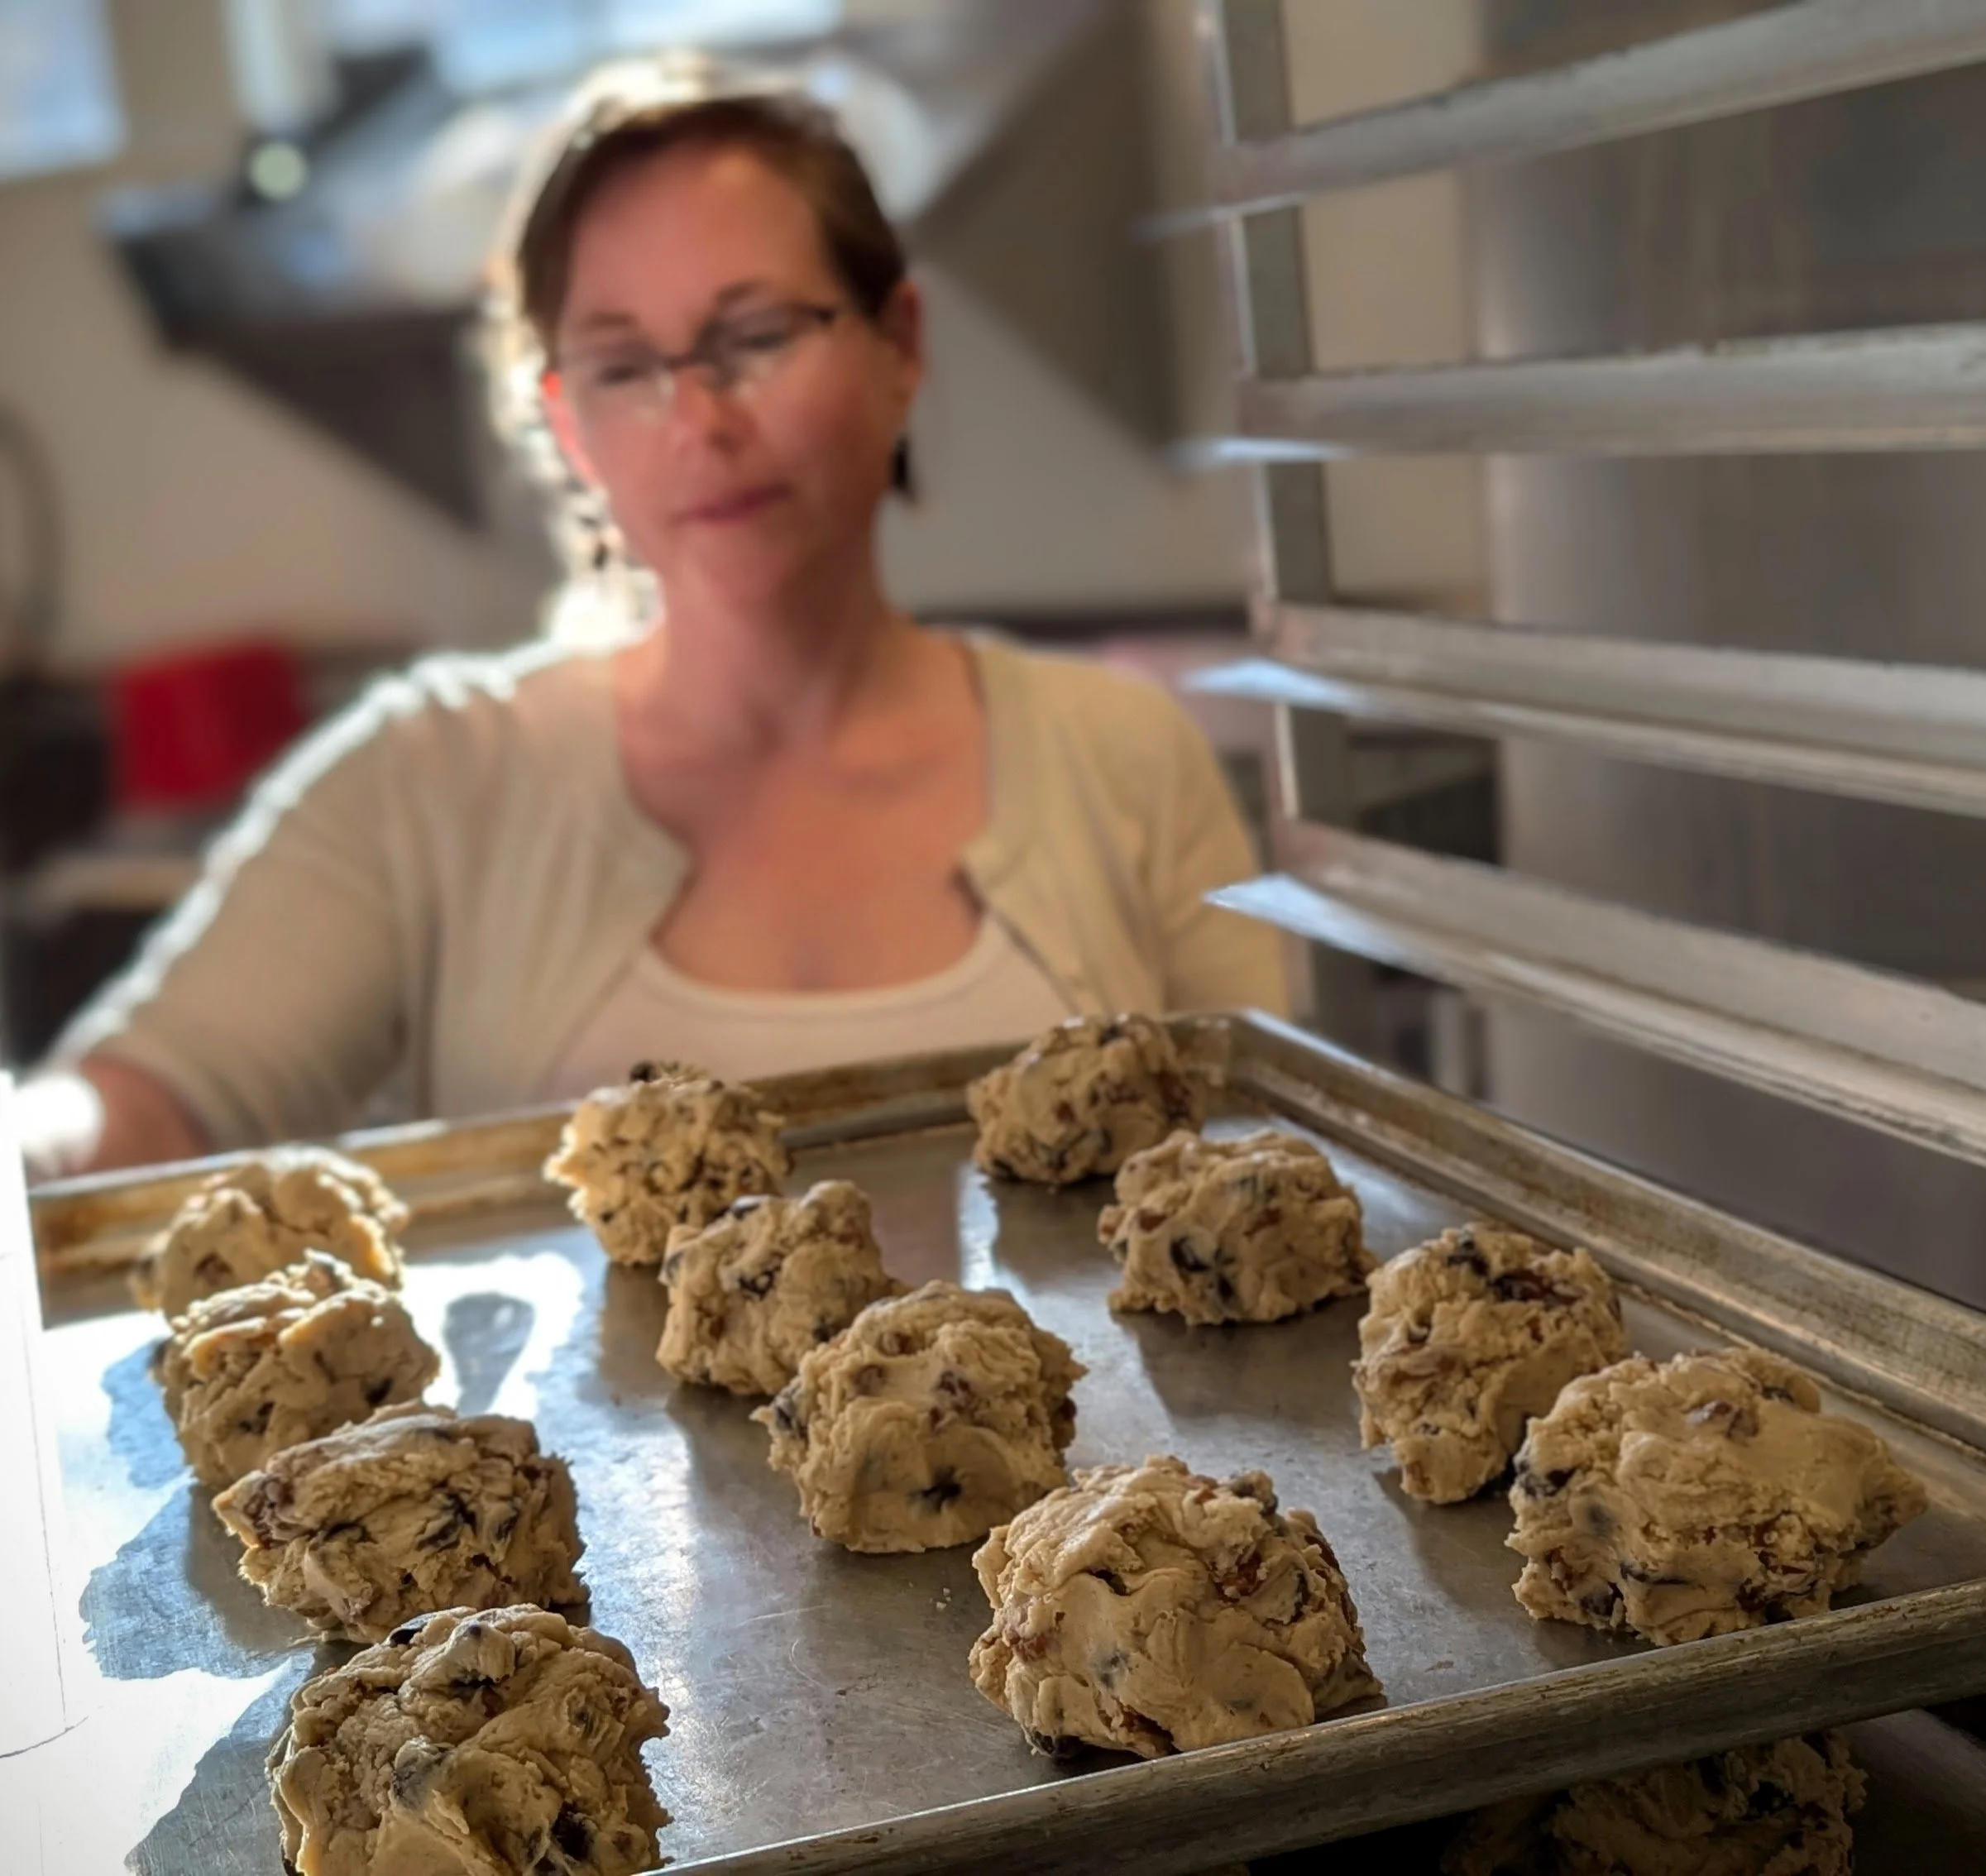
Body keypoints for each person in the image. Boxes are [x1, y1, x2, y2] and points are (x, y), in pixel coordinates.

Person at [21, 72, 1285, 1181]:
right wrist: (35, 1136)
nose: (699, 424)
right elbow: (148, 1105)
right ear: (570, 428)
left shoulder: (1122, 756)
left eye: (755, 336)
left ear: (898, 344)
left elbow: (1273, 1174)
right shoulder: (435, 778)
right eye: (626, 368)